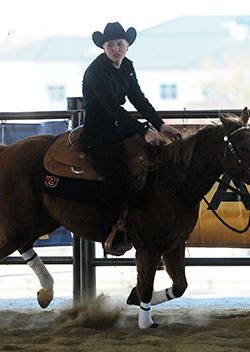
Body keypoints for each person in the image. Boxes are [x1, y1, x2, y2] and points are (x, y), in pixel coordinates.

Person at [80, 22, 181, 255]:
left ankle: (146, 223)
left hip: (119, 127)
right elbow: (112, 108)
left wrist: (160, 125)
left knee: (155, 159)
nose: (116, 49)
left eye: (119, 44)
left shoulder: (127, 67)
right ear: (103, 48)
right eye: (111, 45)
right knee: (118, 176)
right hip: (99, 131)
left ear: (127, 46)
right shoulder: (96, 71)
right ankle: (108, 232)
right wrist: (142, 131)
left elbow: (139, 99)